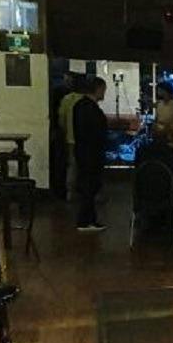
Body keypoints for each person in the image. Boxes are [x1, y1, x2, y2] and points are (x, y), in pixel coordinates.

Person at [71, 76, 109, 232]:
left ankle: (90, 219)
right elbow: (94, 132)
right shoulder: (89, 109)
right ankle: (84, 220)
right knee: (89, 186)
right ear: (98, 89)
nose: (104, 93)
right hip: (91, 153)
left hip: (84, 152)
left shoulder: (79, 106)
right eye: (103, 90)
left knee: (89, 186)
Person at [54, 73, 84, 199]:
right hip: (84, 138)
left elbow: (61, 119)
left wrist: (64, 131)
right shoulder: (85, 99)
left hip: (70, 137)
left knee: (72, 164)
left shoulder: (66, 99)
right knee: (83, 165)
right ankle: (82, 190)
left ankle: (70, 192)